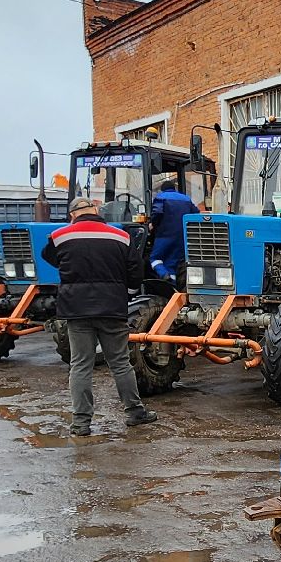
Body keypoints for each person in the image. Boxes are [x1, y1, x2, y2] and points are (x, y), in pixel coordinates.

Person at [42, 196, 157, 436]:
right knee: (120, 363)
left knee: (80, 365)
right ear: (95, 210)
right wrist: (127, 291)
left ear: (72, 215)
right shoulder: (120, 236)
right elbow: (136, 270)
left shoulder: (60, 236)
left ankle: (81, 423)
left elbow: (50, 258)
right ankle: (135, 413)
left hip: (76, 309)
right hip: (112, 307)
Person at [146, 179, 200, 281]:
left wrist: (153, 224)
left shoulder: (161, 197)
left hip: (164, 235)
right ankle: (172, 283)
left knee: (154, 258)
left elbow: (157, 213)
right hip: (182, 237)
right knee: (171, 263)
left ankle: (163, 275)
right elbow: (196, 213)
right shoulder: (186, 199)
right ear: (174, 188)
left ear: (162, 189)